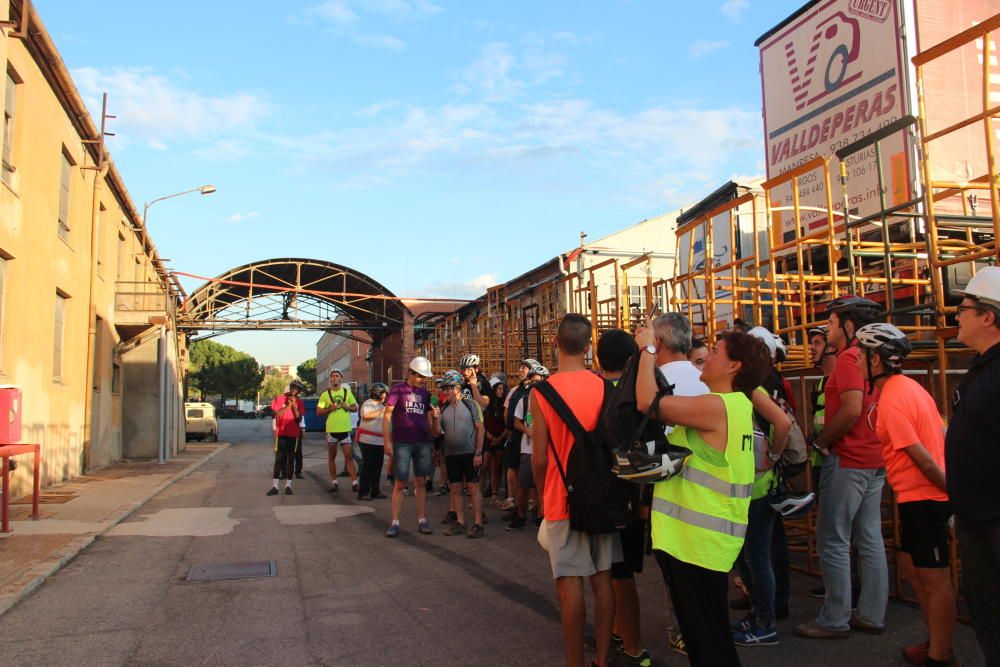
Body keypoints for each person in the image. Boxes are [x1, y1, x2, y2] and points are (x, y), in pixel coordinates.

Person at [634, 323, 771, 667]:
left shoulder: (718, 407)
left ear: (734, 366)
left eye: (714, 353)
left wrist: (647, 350)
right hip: (700, 544)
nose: (705, 358)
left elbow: (646, 402)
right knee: (706, 639)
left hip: (695, 545)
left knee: (709, 645)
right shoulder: (736, 405)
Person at [855, 322, 957, 667]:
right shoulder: (907, 387)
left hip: (924, 498)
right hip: (917, 497)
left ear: (878, 361)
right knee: (914, 570)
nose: (856, 360)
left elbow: (924, 461)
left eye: (861, 354)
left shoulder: (893, 400)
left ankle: (941, 656)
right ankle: (936, 644)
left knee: (934, 581)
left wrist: (954, 493)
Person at [795, 295, 888, 640]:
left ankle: (834, 619)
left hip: (848, 459)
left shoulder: (851, 358)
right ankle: (871, 614)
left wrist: (821, 442)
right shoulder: (874, 358)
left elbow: (850, 409)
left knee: (833, 539)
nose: (828, 329)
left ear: (849, 326)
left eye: (832, 323)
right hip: (873, 458)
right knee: (869, 537)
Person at [531, 314, 620, 667]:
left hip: (561, 496)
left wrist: (541, 496)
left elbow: (538, 459)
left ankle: (574, 662)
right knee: (603, 579)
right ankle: (602, 658)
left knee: (568, 584)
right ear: (588, 347)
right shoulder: (604, 387)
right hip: (602, 494)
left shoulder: (542, 392)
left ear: (555, 342)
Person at [946, 266, 1000, 665]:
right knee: (986, 612)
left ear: (988, 316)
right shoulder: (981, 369)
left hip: (994, 520)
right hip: (977, 519)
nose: (956, 316)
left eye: (963, 308)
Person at [595, 328, 653, 667]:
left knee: (614, 572)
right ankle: (623, 635)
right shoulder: (639, 394)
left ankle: (634, 646)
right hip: (633, 495)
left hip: (603, 495)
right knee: (621, 571)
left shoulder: (597, 392)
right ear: (632, 359)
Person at [733, 327, 793, 647]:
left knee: (757, 556)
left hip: (757, 485)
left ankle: (765, 621)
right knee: (755, 555)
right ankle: (761, 614)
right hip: (755, 484)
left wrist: (772, 455)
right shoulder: (760, 384)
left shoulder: (752, 387)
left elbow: (782, 424)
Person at [383, 356, 439, 537]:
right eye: (419, 376)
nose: (421, 380)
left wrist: (433, 434)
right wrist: (387, 441)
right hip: (402, 443)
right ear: (410, 373)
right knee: (400, 483)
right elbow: (386, 417)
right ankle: (395, 522)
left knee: (421, 481)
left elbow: (428, 420)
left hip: (422, 442)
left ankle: (422, 520)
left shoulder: (425, 394)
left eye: (424, 377)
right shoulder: (397, 390)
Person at [434, 374, 486, 538]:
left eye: (448, 388)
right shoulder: (444, 409)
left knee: (472, 487)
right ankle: (460, 522)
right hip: (451, 454)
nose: (445, 392)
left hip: (470, 452)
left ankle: (478, 524)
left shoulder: (471, 404)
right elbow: (437, 433)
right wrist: (436, 419)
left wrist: (478, 452)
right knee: (455, 488)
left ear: (457, 389)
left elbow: (481, 429)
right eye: (444, 389)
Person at [507, 364, 548, 531]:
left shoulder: (549, 401)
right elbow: (516, 421)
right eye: (532, 381)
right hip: (527, 448)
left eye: (538, 381)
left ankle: (541, 516)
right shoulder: (524, 400)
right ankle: (521, 515)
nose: (534, 385)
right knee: (523, 485)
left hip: (544, 448)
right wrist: (527, 430)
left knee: (542, 486)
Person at [501, 358, 539, 513]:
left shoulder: (534, 391)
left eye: (525, 367)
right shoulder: (515, 390)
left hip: (530, 437)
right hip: (516, 436)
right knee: (513, 467)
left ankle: (531, 503)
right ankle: (514, 500)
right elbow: (506, 413)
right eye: (521, 367)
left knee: (530, 473)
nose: (521, 369)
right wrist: (509, 428)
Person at [317, 370, 359, 493]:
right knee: (332, 457)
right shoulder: (325, 394)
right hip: (332, 430)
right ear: (330, 379)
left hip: (345, 429)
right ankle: (334, 482)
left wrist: (348, 407)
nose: (334, 378)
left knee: (348, 456)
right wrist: (330, 409)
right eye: (333, 376)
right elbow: (318, 412)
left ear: (341, 379)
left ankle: (354, 482)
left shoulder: (347, 392)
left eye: (337, 376)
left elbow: (355, 407)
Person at [268, 380, 306, 496]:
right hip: (282, 433)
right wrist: (287, 406)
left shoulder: (299, 402)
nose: (295, 390)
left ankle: (288, 485)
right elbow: (274, 414)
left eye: (297, 389)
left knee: (291, 459)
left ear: (299, 391)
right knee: (279, 459)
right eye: (293, 387)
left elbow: (299, 419)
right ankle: (275, 486)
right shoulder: (279, 399)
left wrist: (294, 405)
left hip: (294, 434)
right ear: (290, 387)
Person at [357, 383, 389, 500]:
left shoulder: (382, 406)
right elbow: (366, 416)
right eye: (384, 393)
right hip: (367, 440)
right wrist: (383, 411)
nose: (386, 395)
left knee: (378, 466)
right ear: (378, 393)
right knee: (368, 466)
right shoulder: (368, 403)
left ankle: (375, 490)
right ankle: (363, 492)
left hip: (379, 441)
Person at [482, 378, 508, 500]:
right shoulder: (487, 405)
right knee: (485, 465)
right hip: (488, 438)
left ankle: (494, 494)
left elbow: (507, 424)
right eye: (499, 388)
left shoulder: (504, 406)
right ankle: (480, 491)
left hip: (500, 439)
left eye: (503, 389)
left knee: (496, 467)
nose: (502, 391)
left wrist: (501, 437)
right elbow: (482, 424)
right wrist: (490, 436)